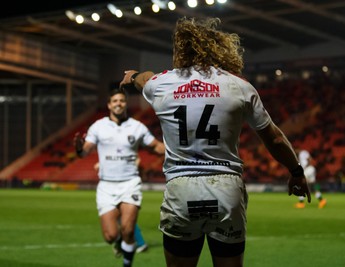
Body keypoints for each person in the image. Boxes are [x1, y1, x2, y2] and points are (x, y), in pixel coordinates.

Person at [120, 17, 311, 267]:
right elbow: (274, 137)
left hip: (182, 188)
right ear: (218, 49)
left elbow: (144, 78)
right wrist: (296, 171)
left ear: (180, 50)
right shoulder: (239, 86)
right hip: (226, 189)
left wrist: (132, 75)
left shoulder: (161, 84)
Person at [73, 87, 164, 267]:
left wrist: (176, 150)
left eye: (122, 100)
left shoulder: (137, 127)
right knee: (111, 236)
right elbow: (84, 152)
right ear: (109, 104)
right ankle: (117, 243)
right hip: (106, 186)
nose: (118, 104)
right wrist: (79, 147)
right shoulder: (98, 126)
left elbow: (155, 146)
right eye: (115, 101)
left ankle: (126, 264)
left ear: (126, 104)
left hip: (130, 183)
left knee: (129, 230)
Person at [93, 162, 149, 254]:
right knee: (124, 221)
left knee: (127, 220)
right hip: (113, 189)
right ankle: (135, 242)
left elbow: (137, 161)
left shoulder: (129, 154)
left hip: (126, 187)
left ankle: (140, 243)